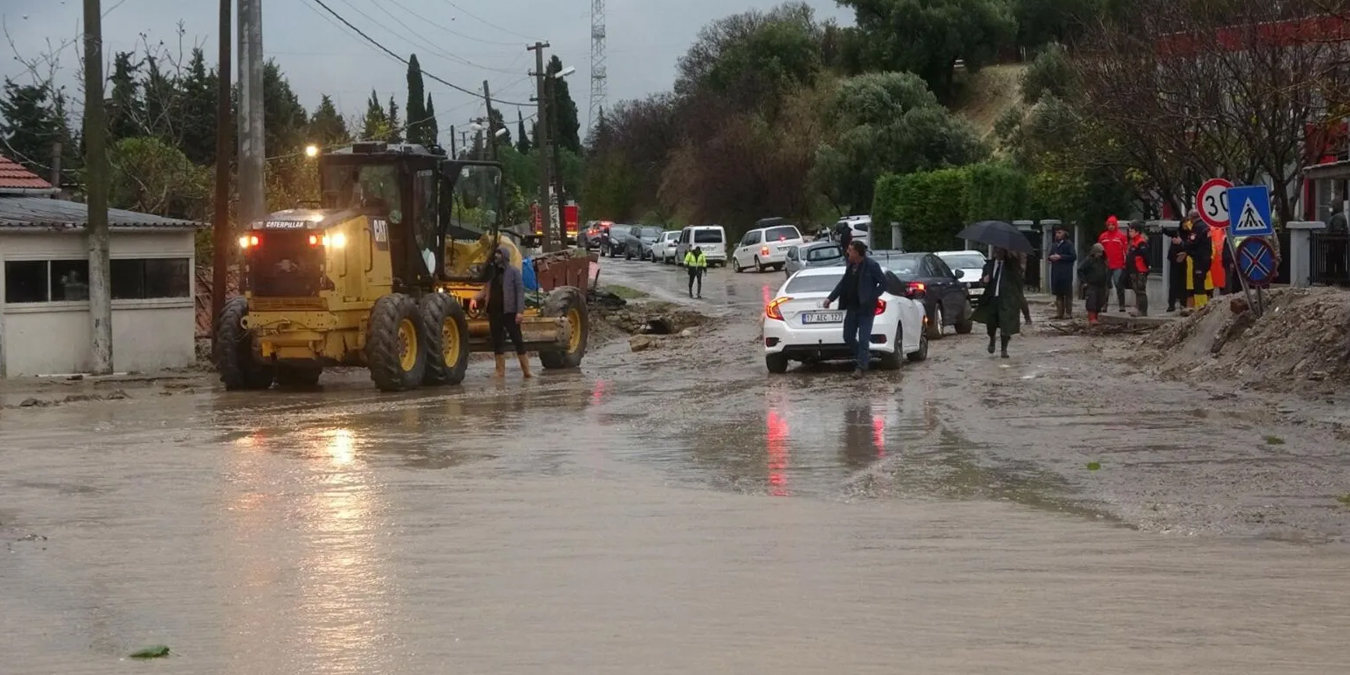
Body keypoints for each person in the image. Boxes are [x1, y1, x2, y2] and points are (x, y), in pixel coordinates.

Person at [823, 240, 888, 378]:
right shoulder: (851, 266)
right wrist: (830, 298)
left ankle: (860, 367)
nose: (848, 252)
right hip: (852, 308)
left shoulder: (871, 265)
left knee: (864, 339)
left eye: (850, 250)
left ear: (857, 252)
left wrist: (871, 297)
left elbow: (883, 283)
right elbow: (843, 284)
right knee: (848, 336)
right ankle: (864, 356)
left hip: (866, 309)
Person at [474, 245, 531, 379]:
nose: (496, 256)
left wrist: (520, 311)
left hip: (509, 312)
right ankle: (500, 371)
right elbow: (485, 290)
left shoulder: (513, 272)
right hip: (494, 312)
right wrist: (474, 298)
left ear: (505, 256)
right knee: (497, 342)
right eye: (495, 254)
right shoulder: (491, 274)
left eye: (499, 254)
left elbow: (519, 292)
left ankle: (526, 371)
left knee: (518, 340)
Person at [975, 247, 1023, 358]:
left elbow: (1019, 279)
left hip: (1006, 299)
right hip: (992, 298)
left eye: (1000, 251)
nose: (997, 253)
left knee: (1005, 324)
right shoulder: (989, 265)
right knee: (991, 324)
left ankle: (1004, 349)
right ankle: (992, 338)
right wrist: (984, 280)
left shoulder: (1011, 265)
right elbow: (982, 282)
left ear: (1005, 252)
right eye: (996, 251)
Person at [1176, 212, 1213, 309]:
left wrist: (1182, 243)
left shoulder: (1197, 227)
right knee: (1201, 284)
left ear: (1192, 218)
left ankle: (1201, 307)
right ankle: (1203, 306)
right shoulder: (1206, 226)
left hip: (1199, 260)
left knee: (1198, 285)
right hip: (1206, 258)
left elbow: (1192, 243)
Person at [1097, 215, 1129, 313]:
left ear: (1116, 225)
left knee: (1118, 283)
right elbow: (1099, 250)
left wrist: (1125, 263)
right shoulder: (1103, 237)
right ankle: (1104, 305)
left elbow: (1125, 251)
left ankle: (1122, 305)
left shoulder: (1121, 237)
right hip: (1106, 264)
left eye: (1113, 225)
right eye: (1109, 225)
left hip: (1118, 264)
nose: (1111, 226)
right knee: (1105, 285)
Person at [1047, 226, 1076, 319]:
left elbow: (1073, 256)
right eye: (1056, 233)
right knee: (1058, 294)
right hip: (1056, 271)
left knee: (1067, 293)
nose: (1057, 235)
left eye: (1059, 233)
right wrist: (1051, 257)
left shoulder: (1069, 244)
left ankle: (1068, 313)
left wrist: (1061, 257)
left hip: (1066, 271)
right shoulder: (1054, 245)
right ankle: (1059, 312)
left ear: (1064, 233)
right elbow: (1049, 255)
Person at [1079, 243, 1110, 325]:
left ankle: (1096, 318)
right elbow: (1080, 270)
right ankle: (1092, 319)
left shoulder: (1103, 261)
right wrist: (1084, 282)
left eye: (1101, 253)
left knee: (1099, 302)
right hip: (1091, 284)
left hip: (1101, 285)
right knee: (1091, 301)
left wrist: (1108, 283)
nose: (1099, 254)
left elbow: (1106, 273)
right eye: (1098, 252)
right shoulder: (1089, 260)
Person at [1125, 222, 1150, 316]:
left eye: (1131, 231)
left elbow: (1146, 257)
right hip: (1133, 270)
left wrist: (1147, 267)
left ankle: (1143, 311)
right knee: (1137, 291)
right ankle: (1139, 309)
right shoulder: (1133, 242)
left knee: (1140, 290)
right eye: (1129, 231)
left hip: (1140, 270)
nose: (1129, 233)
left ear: (1137, 232)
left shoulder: (1141, 242)